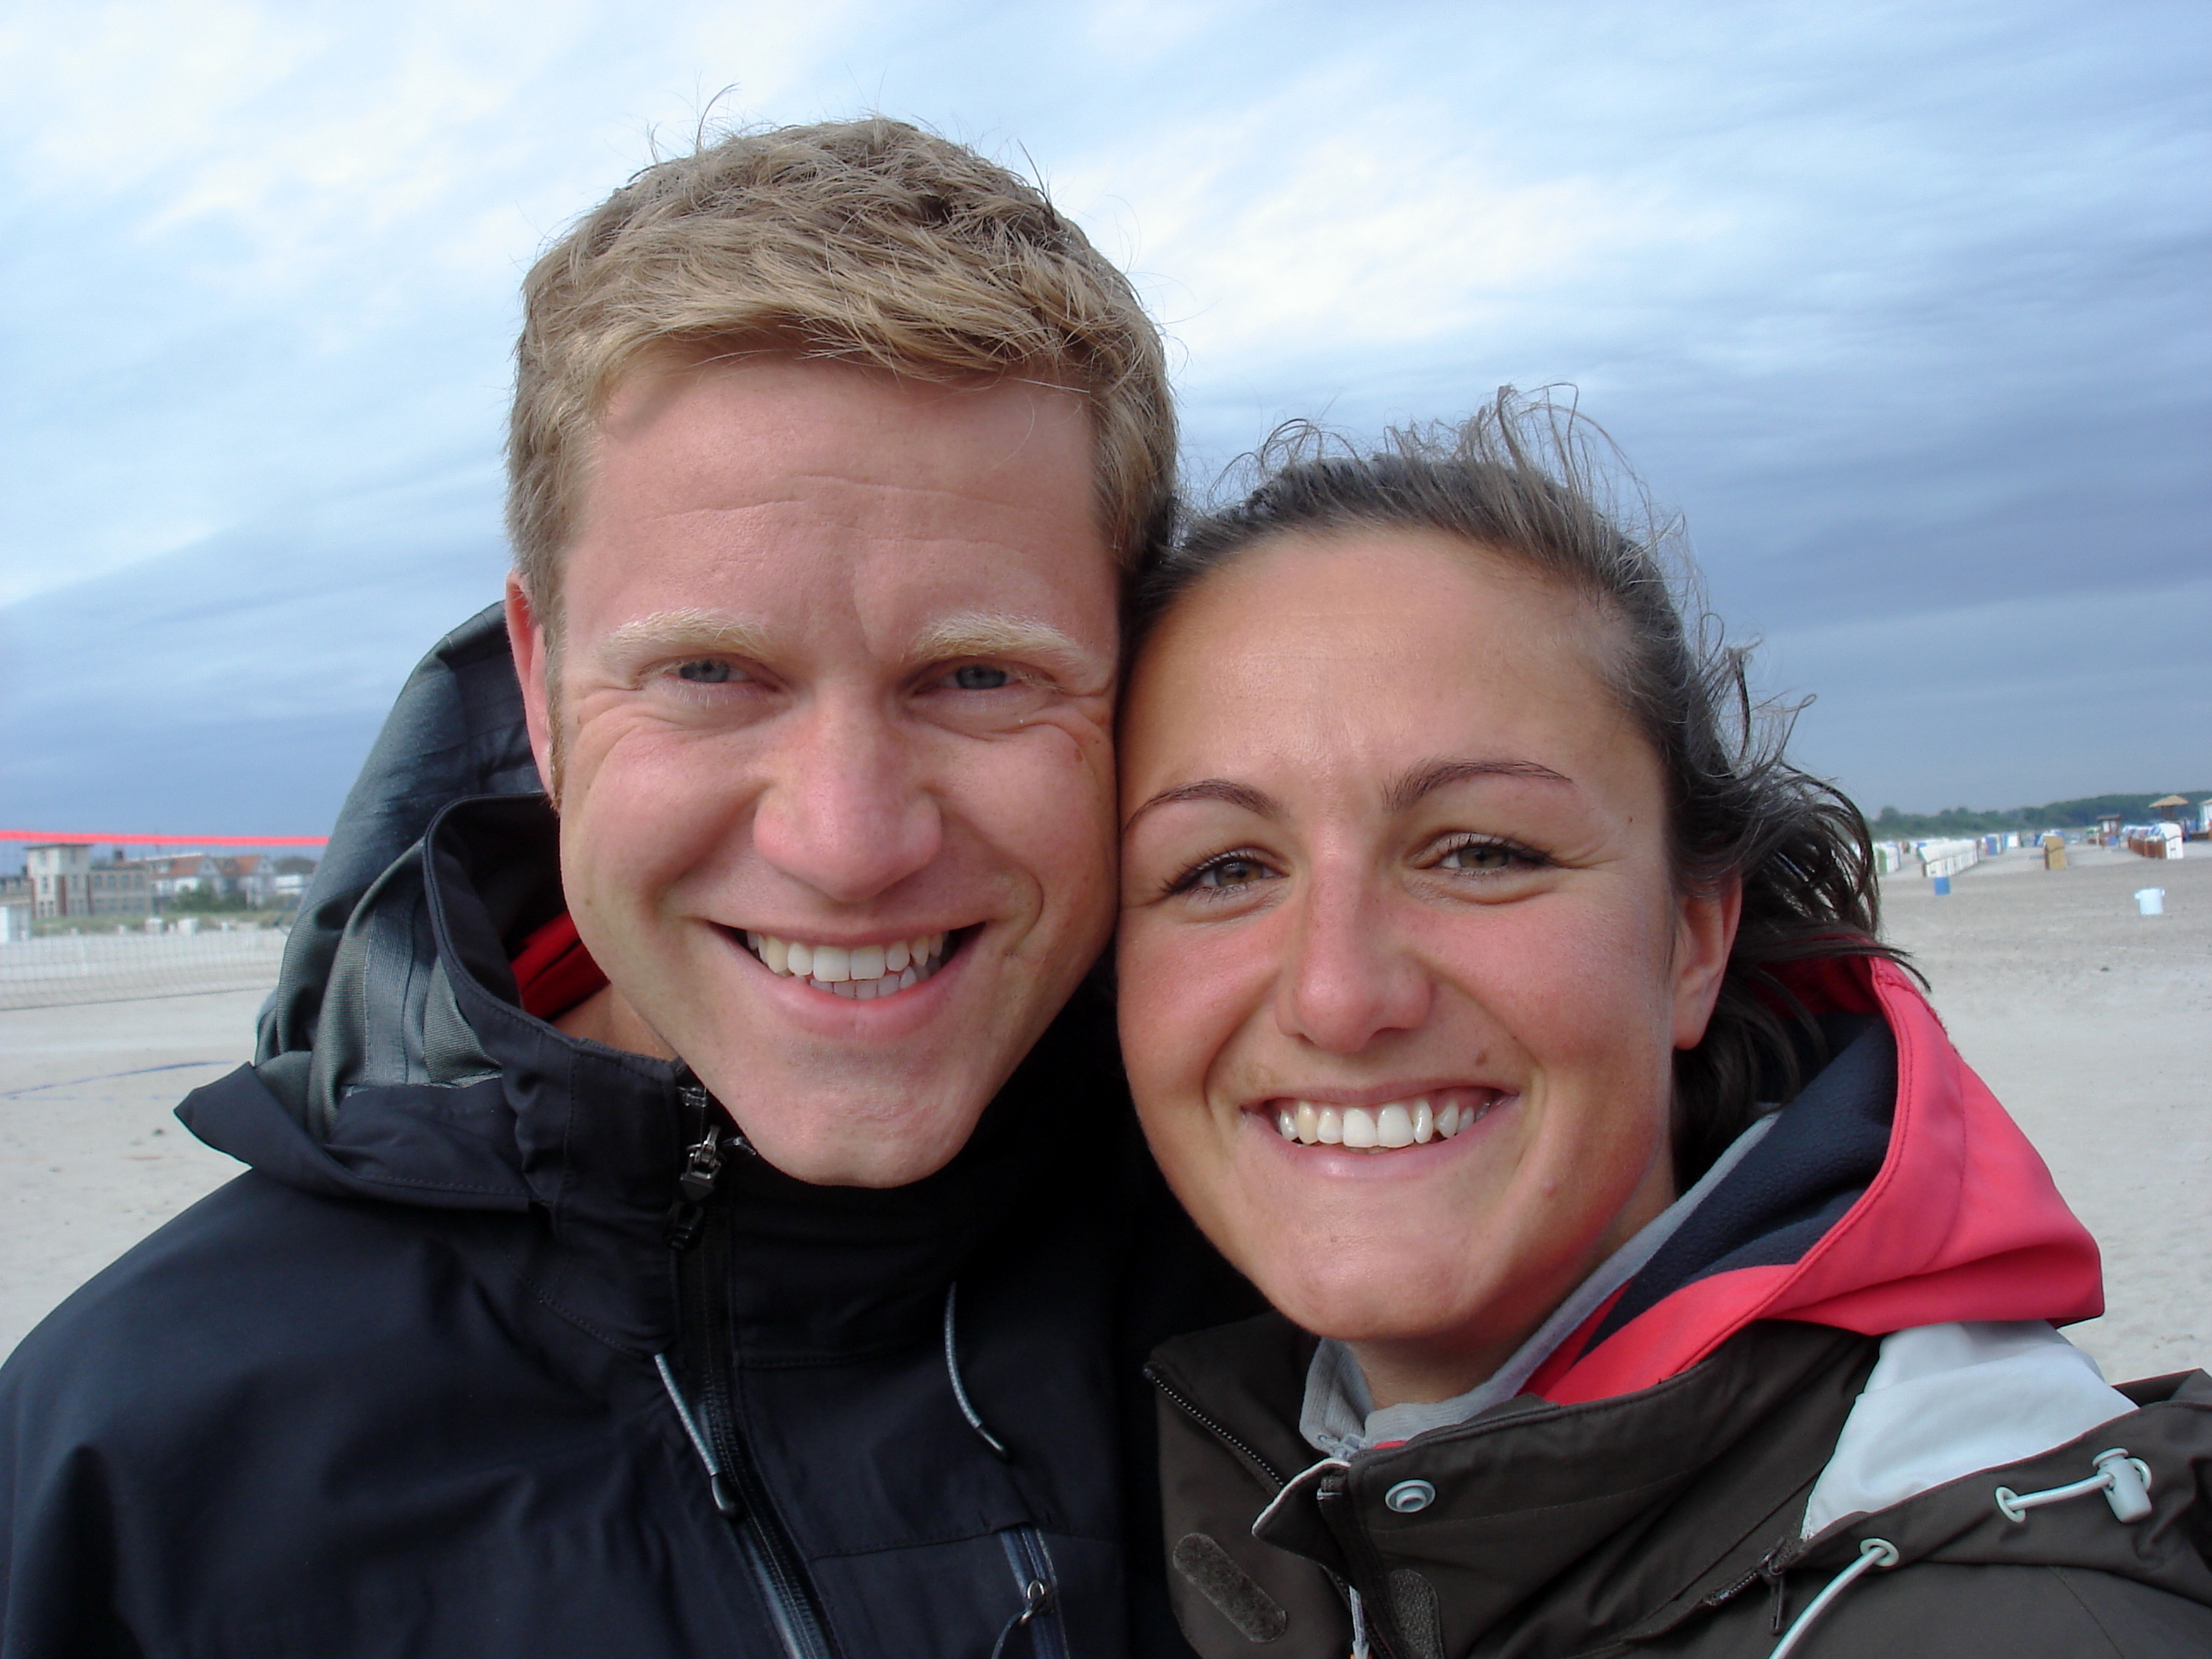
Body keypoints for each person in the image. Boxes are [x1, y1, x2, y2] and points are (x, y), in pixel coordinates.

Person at [0, 119, 1254, 1657]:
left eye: (980, 674)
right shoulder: (131, 1474)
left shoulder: (1318, 1283)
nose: (848, 842)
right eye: (712, 673)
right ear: (541, 689)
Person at [1114, 399, 2212, 1658]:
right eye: (1223, 869)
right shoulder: (1214, 1470)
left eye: (1482, 851)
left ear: (1693, 939)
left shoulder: (2020, 1613)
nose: (1339, 996)